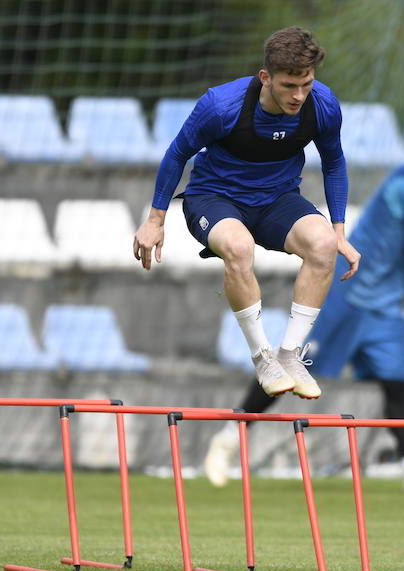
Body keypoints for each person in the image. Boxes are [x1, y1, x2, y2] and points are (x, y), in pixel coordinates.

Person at [204, 114, 404, 497]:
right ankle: (227, 440)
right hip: (347, 294)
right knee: (285, 374)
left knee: (397, 383)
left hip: (384, 305)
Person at [134, 26, 360, 400]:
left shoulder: (322, 105)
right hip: (214, 198)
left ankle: (289, 355)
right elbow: (177, 154)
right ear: (266, 78)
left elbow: (334, 162)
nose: (299, 96)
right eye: (289, 85)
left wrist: (338, 230)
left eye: (306, 84)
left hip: (277, 199)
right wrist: (155, 219)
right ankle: (263, 357)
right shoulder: (220, 105)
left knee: (323, 246)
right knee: (239, 247)